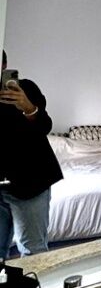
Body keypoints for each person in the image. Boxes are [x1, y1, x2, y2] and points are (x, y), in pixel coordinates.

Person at [0, 50, 62, 259]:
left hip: (30, 183)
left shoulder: (26, 88)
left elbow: (45, 126)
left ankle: (34, 283)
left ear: (4, 65)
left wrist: (28, 108)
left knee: (33, 251)